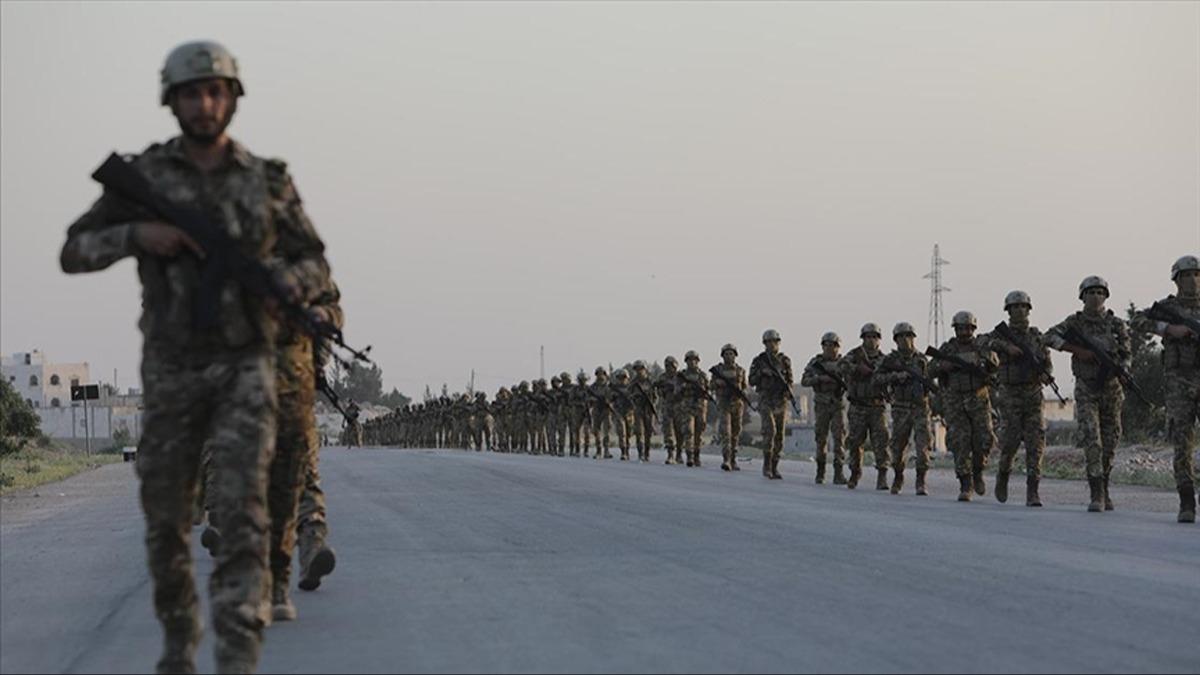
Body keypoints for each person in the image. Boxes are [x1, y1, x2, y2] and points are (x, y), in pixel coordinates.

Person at [59, 40, 328, 673]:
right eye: (191, 93)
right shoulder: (146, 178)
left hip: (246, 370)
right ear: (172, 100)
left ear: (232, 99)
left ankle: (237, 659)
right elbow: (74, 250)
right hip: (173, 371)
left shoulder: (267, 180)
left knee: (242, 519)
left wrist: (292, 282)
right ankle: (180, 648)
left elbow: (317, 258)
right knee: (166, 521)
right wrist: (136, 235)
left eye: (215, 91)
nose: (204, 104)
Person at [1046, 277, 1131, 512]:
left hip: (1112, 389)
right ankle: (1096, 493)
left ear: (1106, 296)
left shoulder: (1116, 325)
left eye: (1099, 292)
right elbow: (1049, 336)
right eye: (1091, 292)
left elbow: (1126, 353)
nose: (1095, 296)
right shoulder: (1075, 322)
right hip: (1086, 388)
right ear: (1082, 296)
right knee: (1092, 440)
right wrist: (1078, 350)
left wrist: (1124, 372)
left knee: (1110, 440)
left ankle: (1104, 486)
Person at [1131, 256, 1199, 523]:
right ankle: (1186, 502)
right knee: (1182, 442)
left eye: (1196, 274)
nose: (1193, 280)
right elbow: (1137, 320)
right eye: (1186, 275)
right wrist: (1168, 328)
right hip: (1178, 382)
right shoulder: (1168, 307)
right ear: (1177, 280)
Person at [800, 332, 847, 484]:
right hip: (821, 405)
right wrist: (819, 378)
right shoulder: (816, 363)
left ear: (838, 347)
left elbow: (852, 381)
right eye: (826, 345)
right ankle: (820, 472)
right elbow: (805, 381)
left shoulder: (844, 364)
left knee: (839, 439)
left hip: (838, 404)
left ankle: (838, 472)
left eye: (832, 346)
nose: (829, 349)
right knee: (821, 438)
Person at [749, 330, 793, 480]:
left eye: (774, 342)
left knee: (780, 435)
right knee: (770, 431)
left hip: (780, 401)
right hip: (766, 399)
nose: (771, 345)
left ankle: (775, 466)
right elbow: (751, 380)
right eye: (768, 342)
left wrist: (788, 391)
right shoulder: (759, 361)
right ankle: (766, 465)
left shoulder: (785, 360)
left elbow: (790, 380)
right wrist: (762, 373)